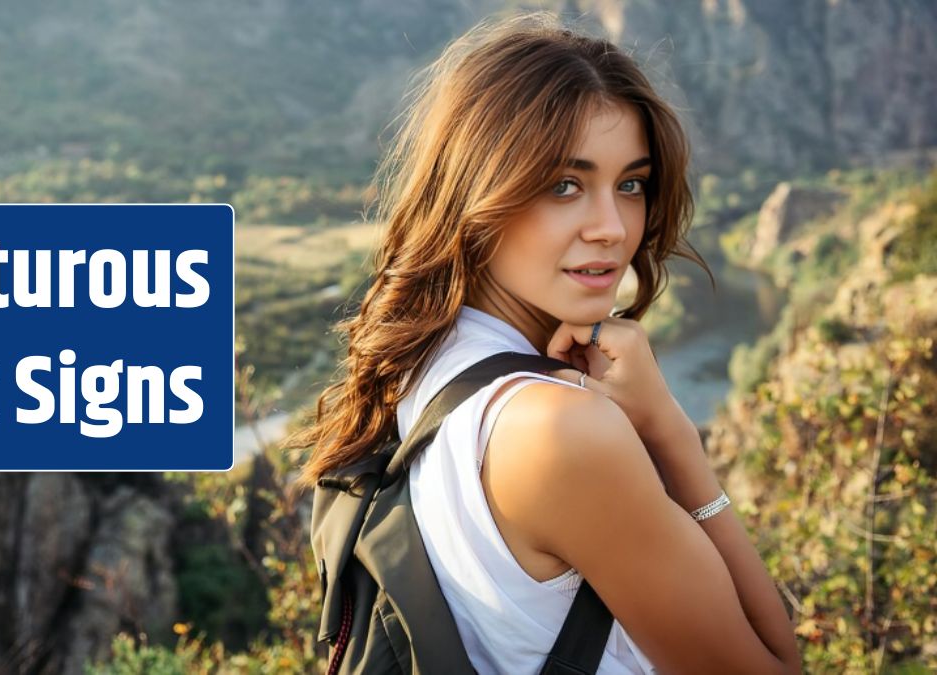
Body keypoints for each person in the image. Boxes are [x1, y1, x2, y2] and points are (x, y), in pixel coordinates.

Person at [286, 11, 803, 674]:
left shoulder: (426, 368)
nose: (613, 227)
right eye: (565, 185)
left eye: (632, 184)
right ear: (479, 190)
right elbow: (777, 665)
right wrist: (667, 426)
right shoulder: (563, 431)